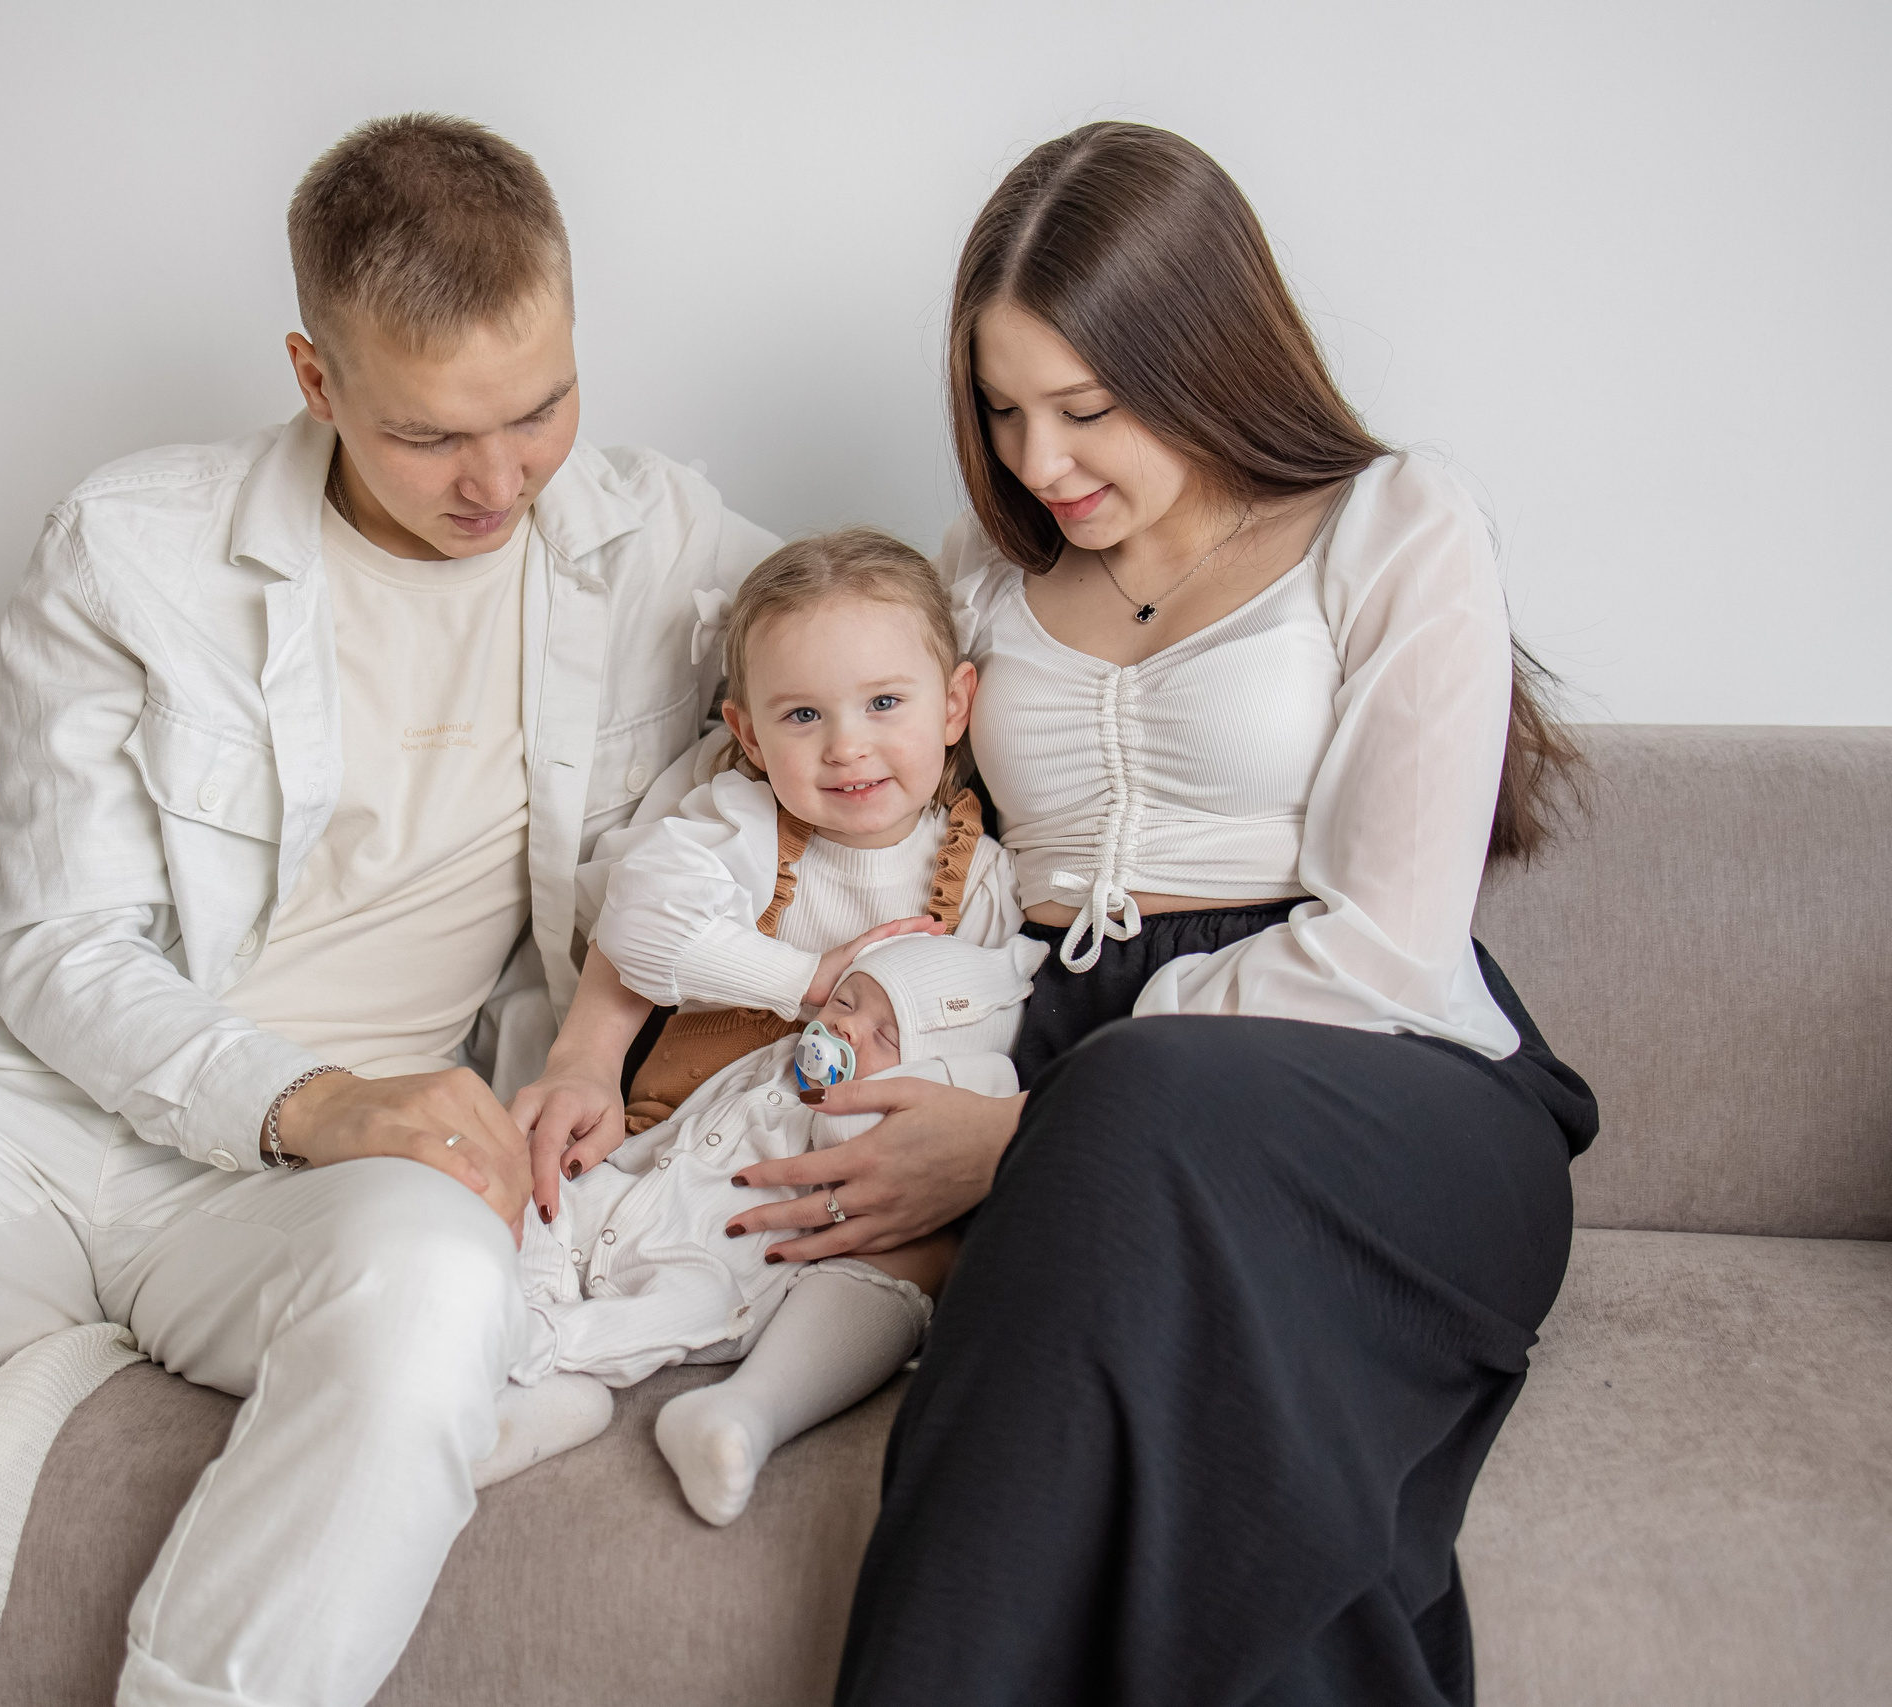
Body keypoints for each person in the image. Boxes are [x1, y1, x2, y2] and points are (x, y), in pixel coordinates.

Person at [0, 114, 777, 1707]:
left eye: (542, 404)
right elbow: (61, 947)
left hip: (333, 1189)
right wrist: (311, 1095)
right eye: (430, 436)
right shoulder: (131, 547)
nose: (500, 478)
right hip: (53, 1106)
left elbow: (922, 649)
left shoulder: (656, 538)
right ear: (316, 376)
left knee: (442, 1284)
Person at [714, 123, 1598, 1706]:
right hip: (1068, 1061)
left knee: (1133, 1093)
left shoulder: (1395, 521)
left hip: (1380, 1071)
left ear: (1203, 356)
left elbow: (1395, 939)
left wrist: (1029, 1130)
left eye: (1088, 407)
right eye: (1001, 408)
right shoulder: (977, 581)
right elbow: (838, 786)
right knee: (1141, 1285)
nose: (1039, 458)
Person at [508, 530, 1025, 1524]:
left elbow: (997, 1034)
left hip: (825, 1186)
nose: (847, 745)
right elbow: (643, 918)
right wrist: (805, 978)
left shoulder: (983, 878)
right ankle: (535, 1376)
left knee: (844, 1273)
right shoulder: (741, 823)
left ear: (954, 705)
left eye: (884, 703)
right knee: (525, 1201)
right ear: (748, 736)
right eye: (803, 715)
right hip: (674, 1143)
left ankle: (741, 1412)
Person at [514, 932, 1039, 1523]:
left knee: (692, 1304)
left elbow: (853, 1135)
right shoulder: (779, 1058)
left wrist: (932, 1083)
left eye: (885, 1036)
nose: (847, 1028)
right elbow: (693, 1121)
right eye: (845, 1004)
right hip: (643, 1202)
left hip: (720, 1263)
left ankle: (547, 1343)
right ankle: (536, 1299)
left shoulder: (880, 1120)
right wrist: (617, 1171)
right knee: (544, 1200)